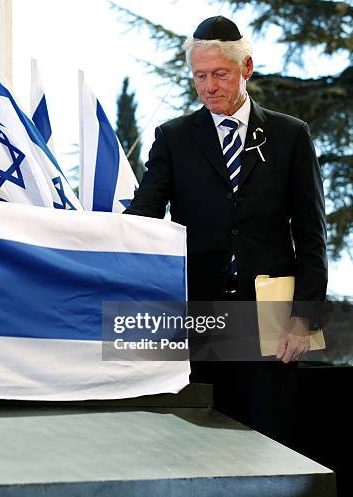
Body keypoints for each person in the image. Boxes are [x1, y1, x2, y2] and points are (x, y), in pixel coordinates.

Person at [124, 15, 328, 444]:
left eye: (220, 74)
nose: (209, 86)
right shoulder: (174, 138)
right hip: (197, 315)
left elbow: (312, 234)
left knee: (268, 441)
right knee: (195, 443)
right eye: (200, 76)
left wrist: (303, 318)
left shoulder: (291, 136)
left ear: (246, 68)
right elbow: (143, 218)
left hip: (272, 318)